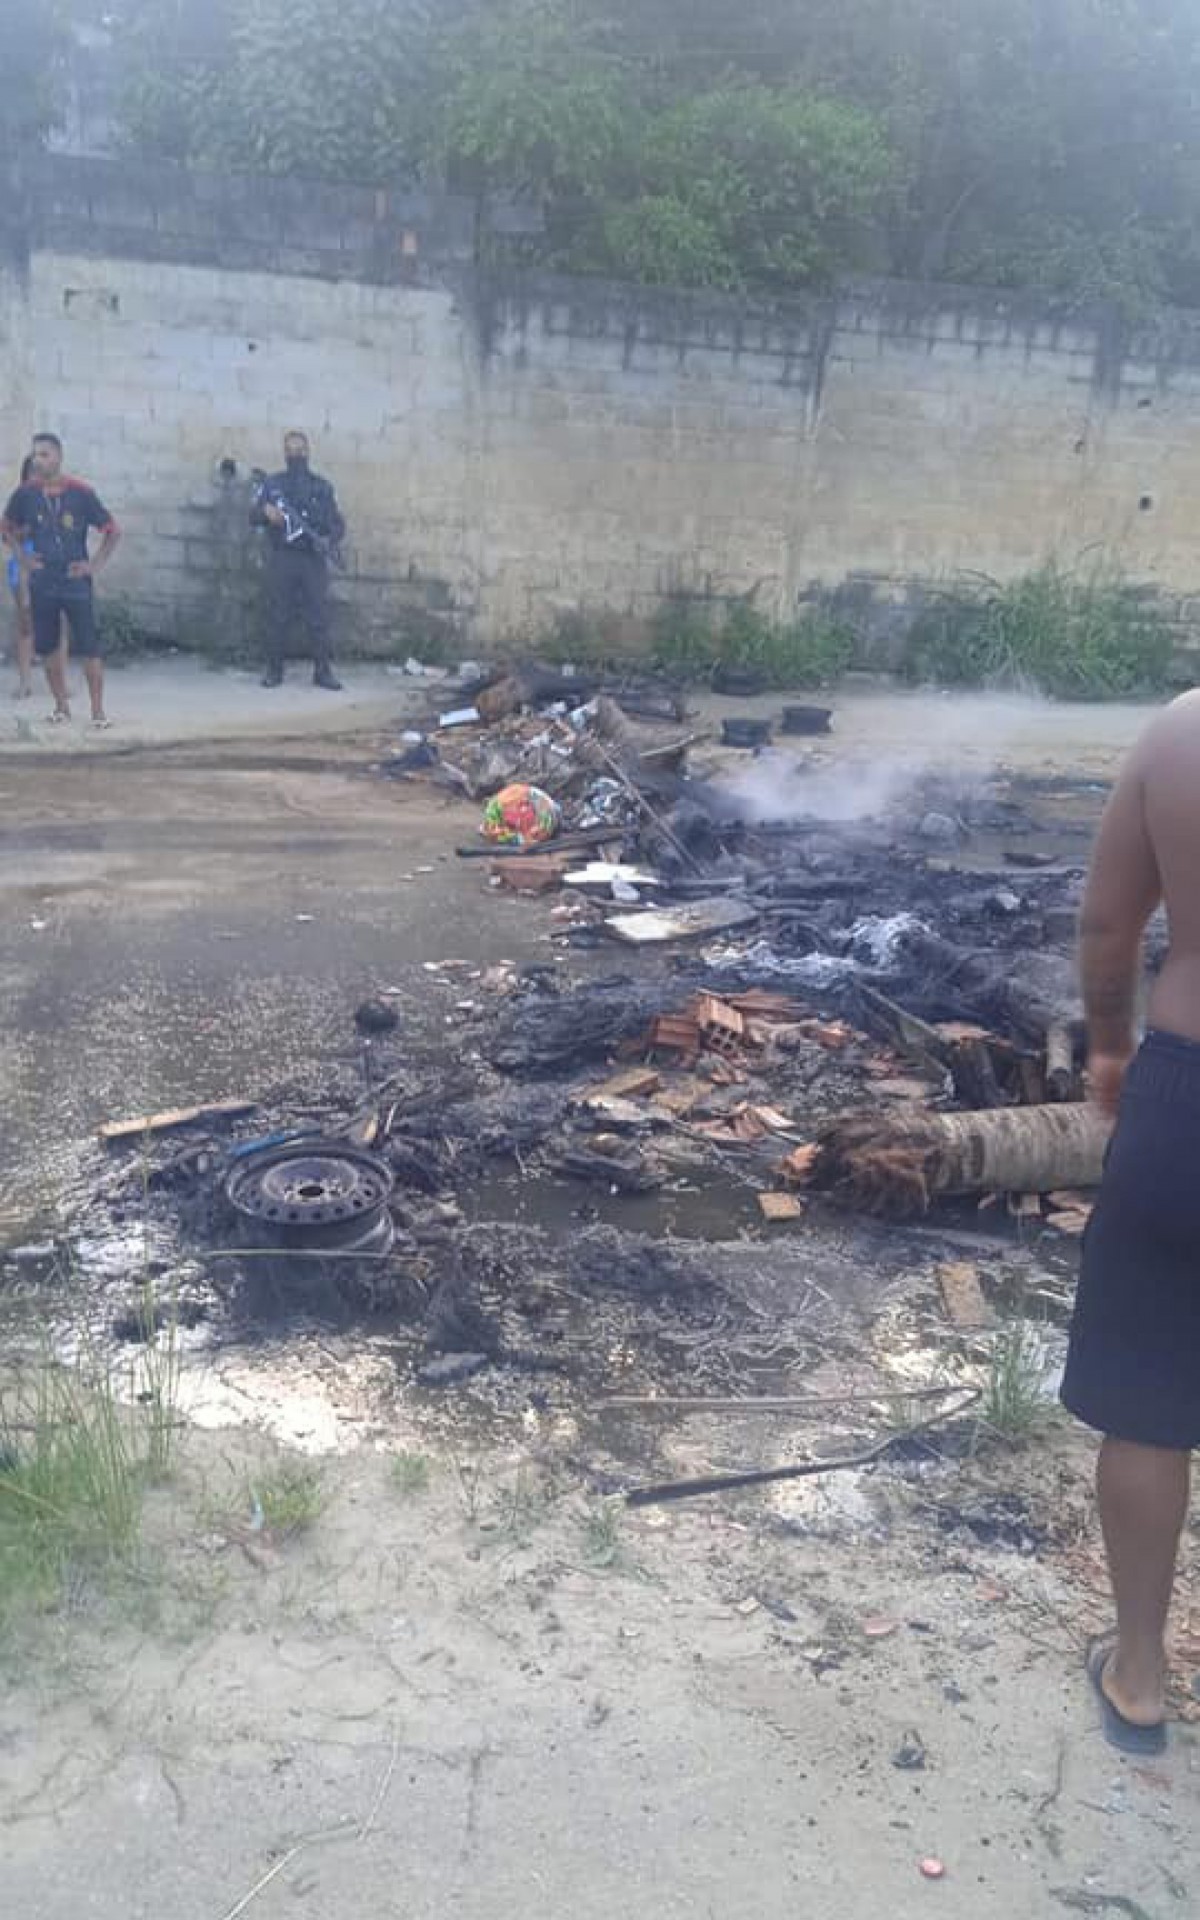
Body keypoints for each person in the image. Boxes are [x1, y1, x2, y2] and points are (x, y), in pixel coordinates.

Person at [1062, 690, 1200, 1756]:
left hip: (1190, 1097)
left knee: (1151, 1399)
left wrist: (1108, 1046)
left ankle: (1141, 1674)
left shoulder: (1182, 731)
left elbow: (1110, 927)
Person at [0, 434, 121, 727]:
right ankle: (61, 707)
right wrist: (23, 557)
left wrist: (94, 565)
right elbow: (5, 528)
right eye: (35, 455)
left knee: (89, 647)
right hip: (43, 581)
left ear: (58, 457)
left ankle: (98, 713)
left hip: (74, 579)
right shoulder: (25, 494)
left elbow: (112, 530)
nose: (38, 461)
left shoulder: (80, 492)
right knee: (48, 647)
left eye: (44, 455)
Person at [251, 431, 346, 691]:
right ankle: (274, 671)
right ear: (284, 454)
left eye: (300, 450)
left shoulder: (322, 487)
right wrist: (265, 512)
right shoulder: (273, 486)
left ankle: (323, 672)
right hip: (283, 557)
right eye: (290, 450)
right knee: (278, 615)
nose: (295, 455)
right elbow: (253, 515)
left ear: (308, 452)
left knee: (318, 617)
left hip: (312, 559)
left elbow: (337, 524)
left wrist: (328, 540)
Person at [3, 455, 36, 699]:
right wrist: (24, 532)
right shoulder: (19, 500)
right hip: (23, 561)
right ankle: (25, 681)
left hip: (51, 563)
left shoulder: (60, 497)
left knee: (59, 623)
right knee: (25, 620)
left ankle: (61, 682)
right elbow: (5, 533)